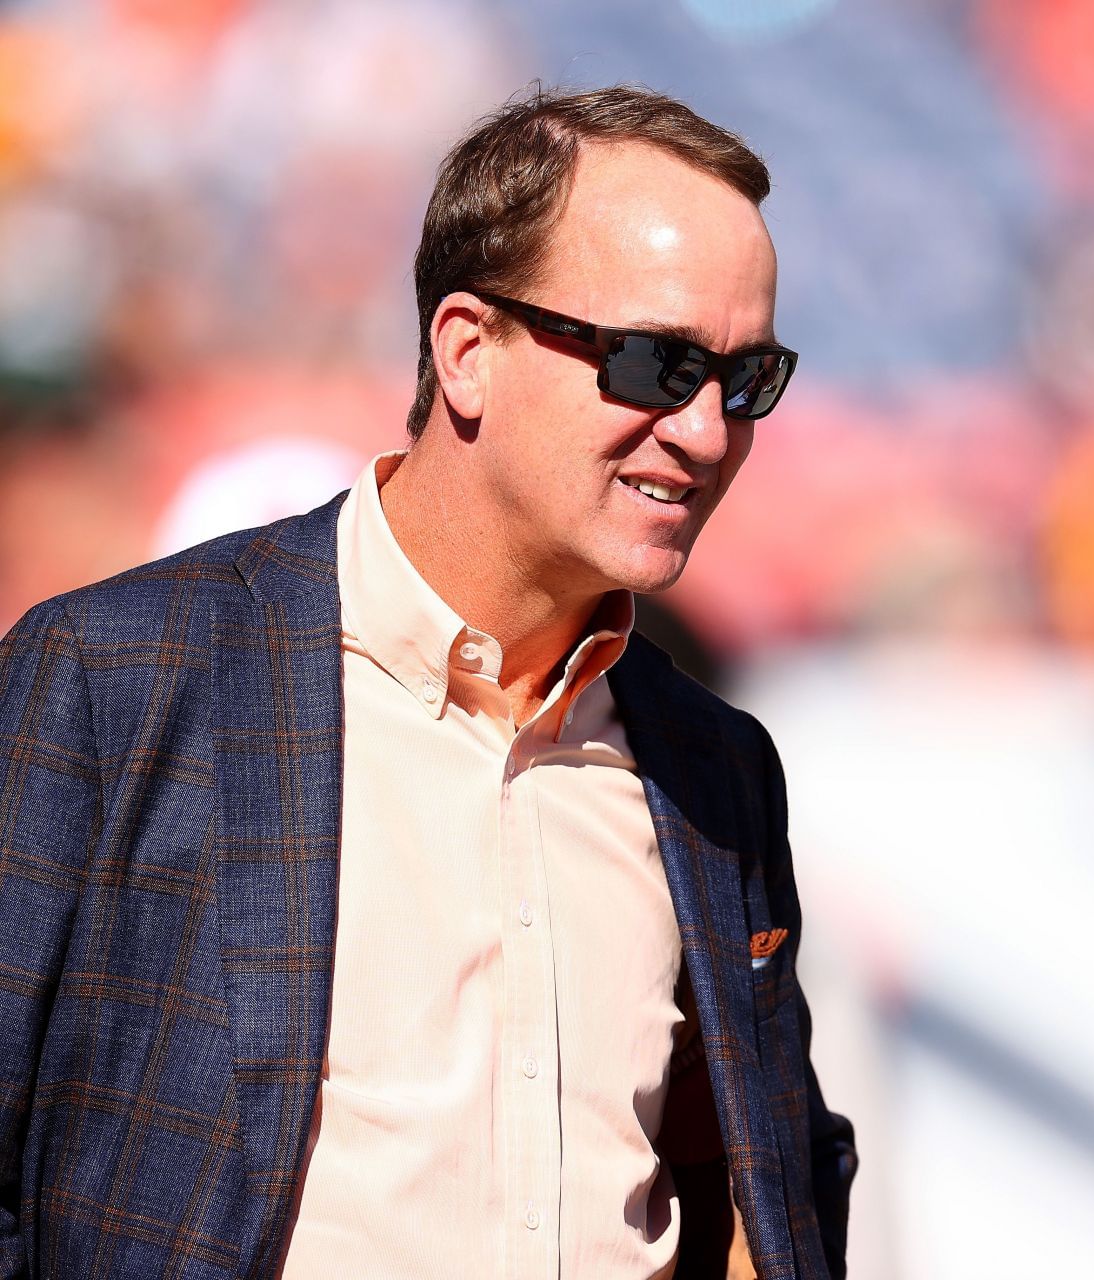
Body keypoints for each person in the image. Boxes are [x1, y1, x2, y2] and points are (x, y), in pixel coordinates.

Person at [0, 85, 853, 1280]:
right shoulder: (120, 680)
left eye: (746, 378)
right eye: (659, 365)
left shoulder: (715, 768)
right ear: (468, 351)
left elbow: (780, 1184)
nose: (707, 431)